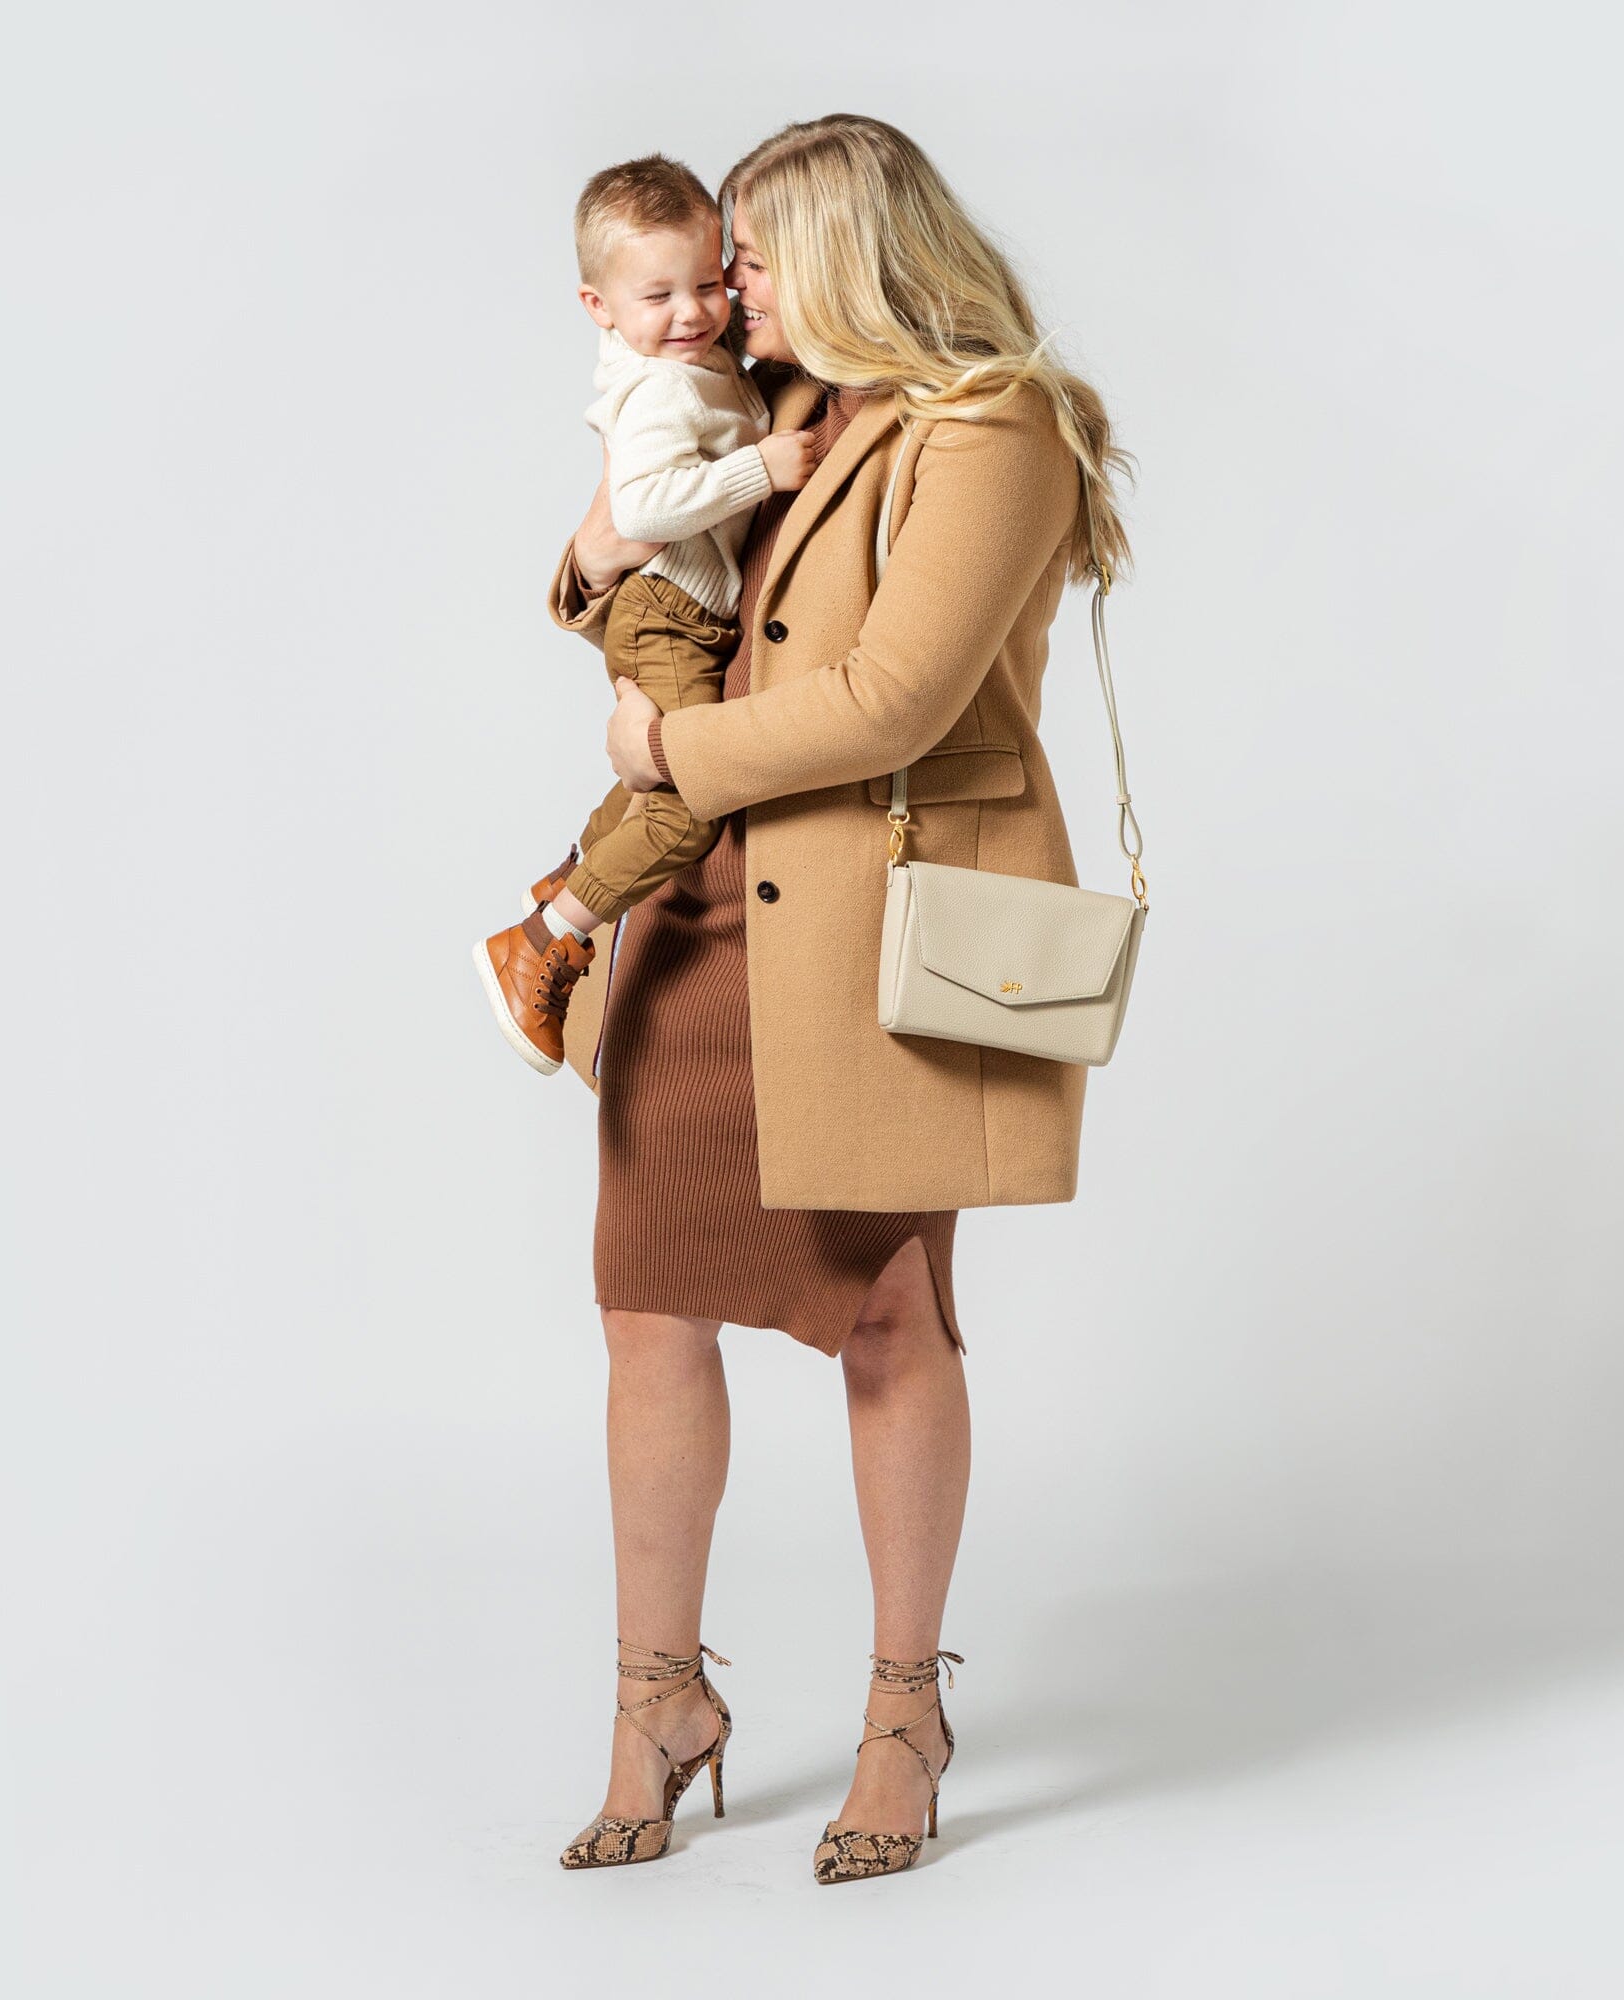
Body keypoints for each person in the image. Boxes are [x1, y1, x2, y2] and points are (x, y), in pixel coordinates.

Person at [543, 114, 1130, 1882]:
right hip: (699, 924)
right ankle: (657, 1703)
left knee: (887, 1320)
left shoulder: (991, 426)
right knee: (649, 1311)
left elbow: (893, 701)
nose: (727, 286)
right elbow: (617, 568)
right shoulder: (767, 405)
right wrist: (611, 525)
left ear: (855, 256)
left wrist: (666, 750)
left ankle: (902, 1715)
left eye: (755, 255)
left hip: (867, 937)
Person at [473, 153, 823, 1073]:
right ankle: (541, 941)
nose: (694, 313)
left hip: (676, 607)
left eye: (709, 284)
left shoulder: (701, 360)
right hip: (669, 611)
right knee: (685, 814)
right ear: (599, 307)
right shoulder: (664, 385)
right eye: (659, 296)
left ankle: (570, 873)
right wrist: (759, 469)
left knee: (651, 792)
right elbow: (640, 509)